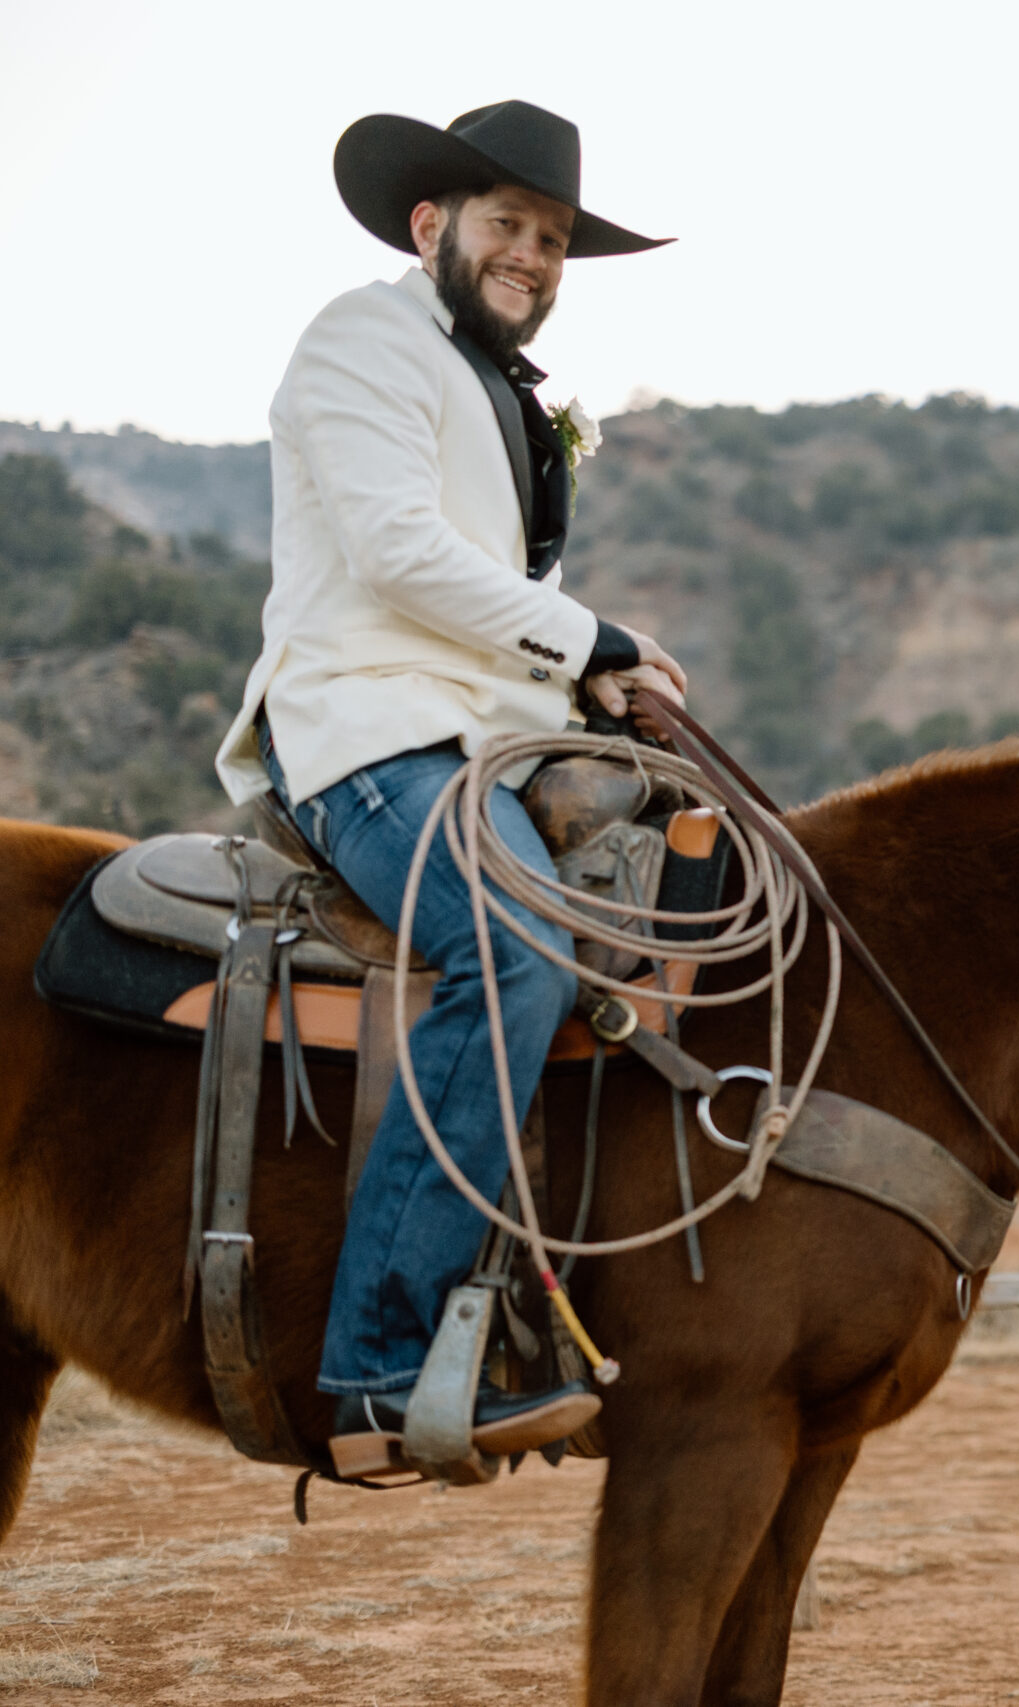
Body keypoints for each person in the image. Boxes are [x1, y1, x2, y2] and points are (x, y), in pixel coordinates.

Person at [212, 102, 688, 1477]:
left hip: (474, 742)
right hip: (367, 745)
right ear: (431, 226)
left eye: (551, 240)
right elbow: (398, 552)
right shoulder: (363, 337)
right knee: (517, 945)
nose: (533, 257)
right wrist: (585, 636)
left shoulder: (491, 382)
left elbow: (488, 596)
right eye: (508, 226)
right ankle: (376, 1362)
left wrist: (593, 683)